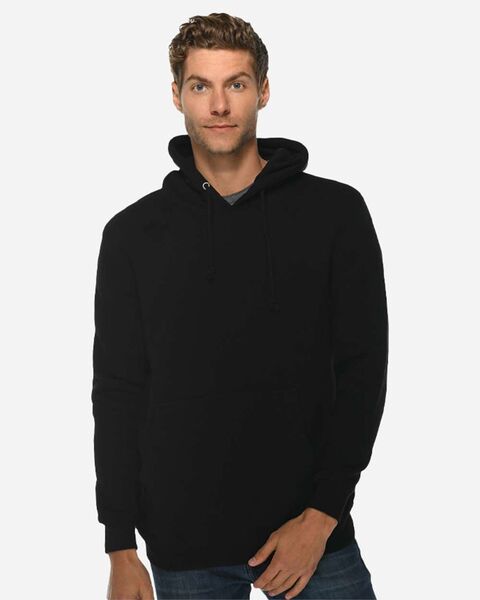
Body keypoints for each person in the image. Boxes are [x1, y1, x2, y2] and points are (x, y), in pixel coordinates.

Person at [91, 12, 389, 600]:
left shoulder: (335, 214)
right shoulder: (132, 235)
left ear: (264, 90)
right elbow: (119, 391)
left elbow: (363, 371)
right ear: (177, 95)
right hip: (184, 546)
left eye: (236, 83)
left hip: (312, 537)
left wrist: (322, 517)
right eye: (201, 86)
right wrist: (120, 545)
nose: (219, 105)